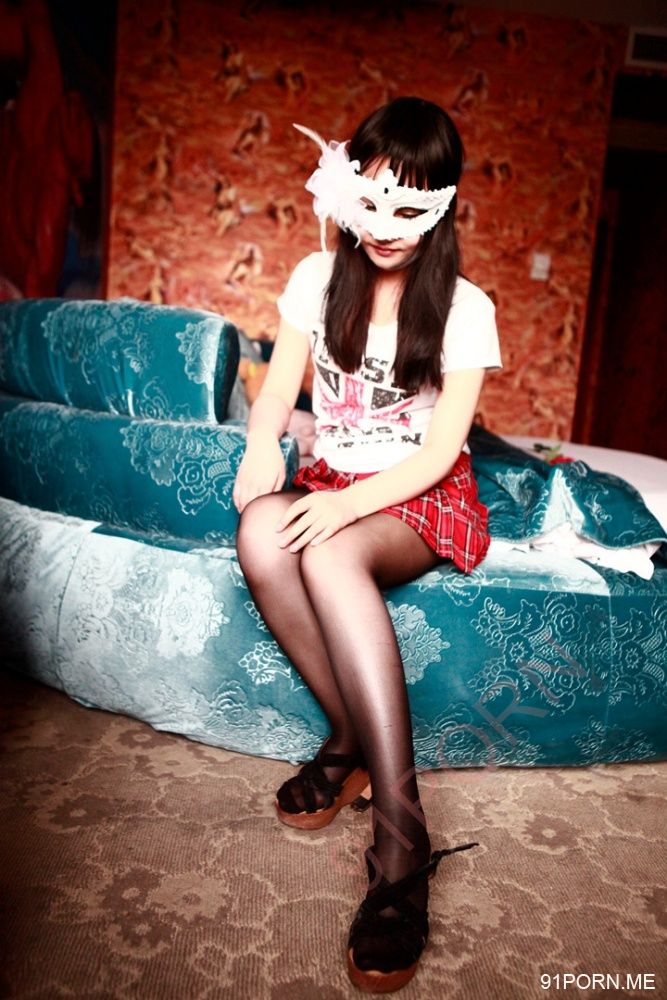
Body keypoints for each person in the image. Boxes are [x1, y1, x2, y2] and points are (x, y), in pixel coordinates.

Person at [233, 96, 502, 993]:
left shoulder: (464, 308)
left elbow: (438, 452)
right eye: (372, 201)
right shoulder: (317, 277)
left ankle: (400, 836)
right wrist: (261, 446)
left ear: (444, 206)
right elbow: (278, 394)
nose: (385, 226)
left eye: (410, 205)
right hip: (333, 477)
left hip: (416, 494)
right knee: (261, 532)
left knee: (326, 549)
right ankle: (345, 738)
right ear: (345, 191)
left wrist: (346, 510)